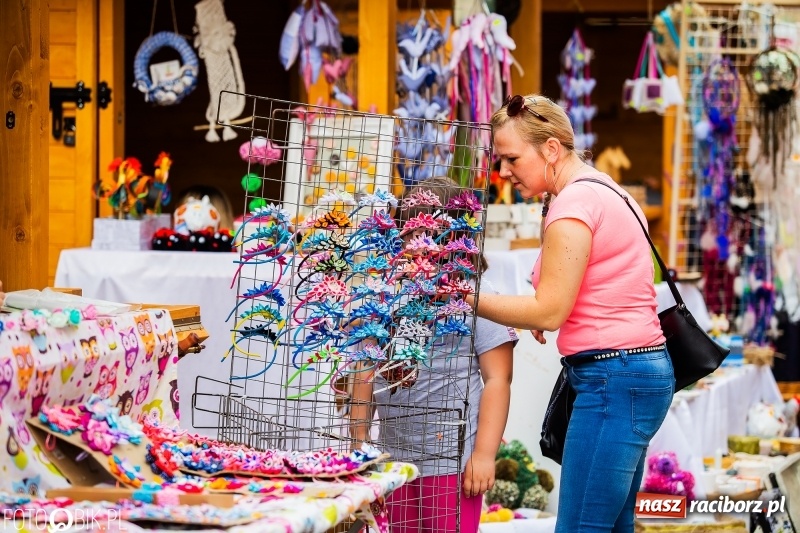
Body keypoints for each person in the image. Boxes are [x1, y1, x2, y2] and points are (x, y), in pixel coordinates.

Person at [466, 94, 674, 533]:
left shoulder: (574, 205)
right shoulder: (604, 189)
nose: (504, 172)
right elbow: (601, 285)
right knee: (611, 526)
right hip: (631, 373)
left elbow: (548, 312)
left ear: (551, 149)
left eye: (511, 159)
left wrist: (464, 297)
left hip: (614, 377)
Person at [349, 176, 517, 533]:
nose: (419, 243)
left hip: (452, 464)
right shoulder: (387, 296)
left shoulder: (478, 298)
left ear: (458, 237)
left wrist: (484, 455)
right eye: (410, 231)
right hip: (393, 461)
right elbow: (364, 371)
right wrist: (359, 443)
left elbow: (498, 379)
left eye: (431, 232)